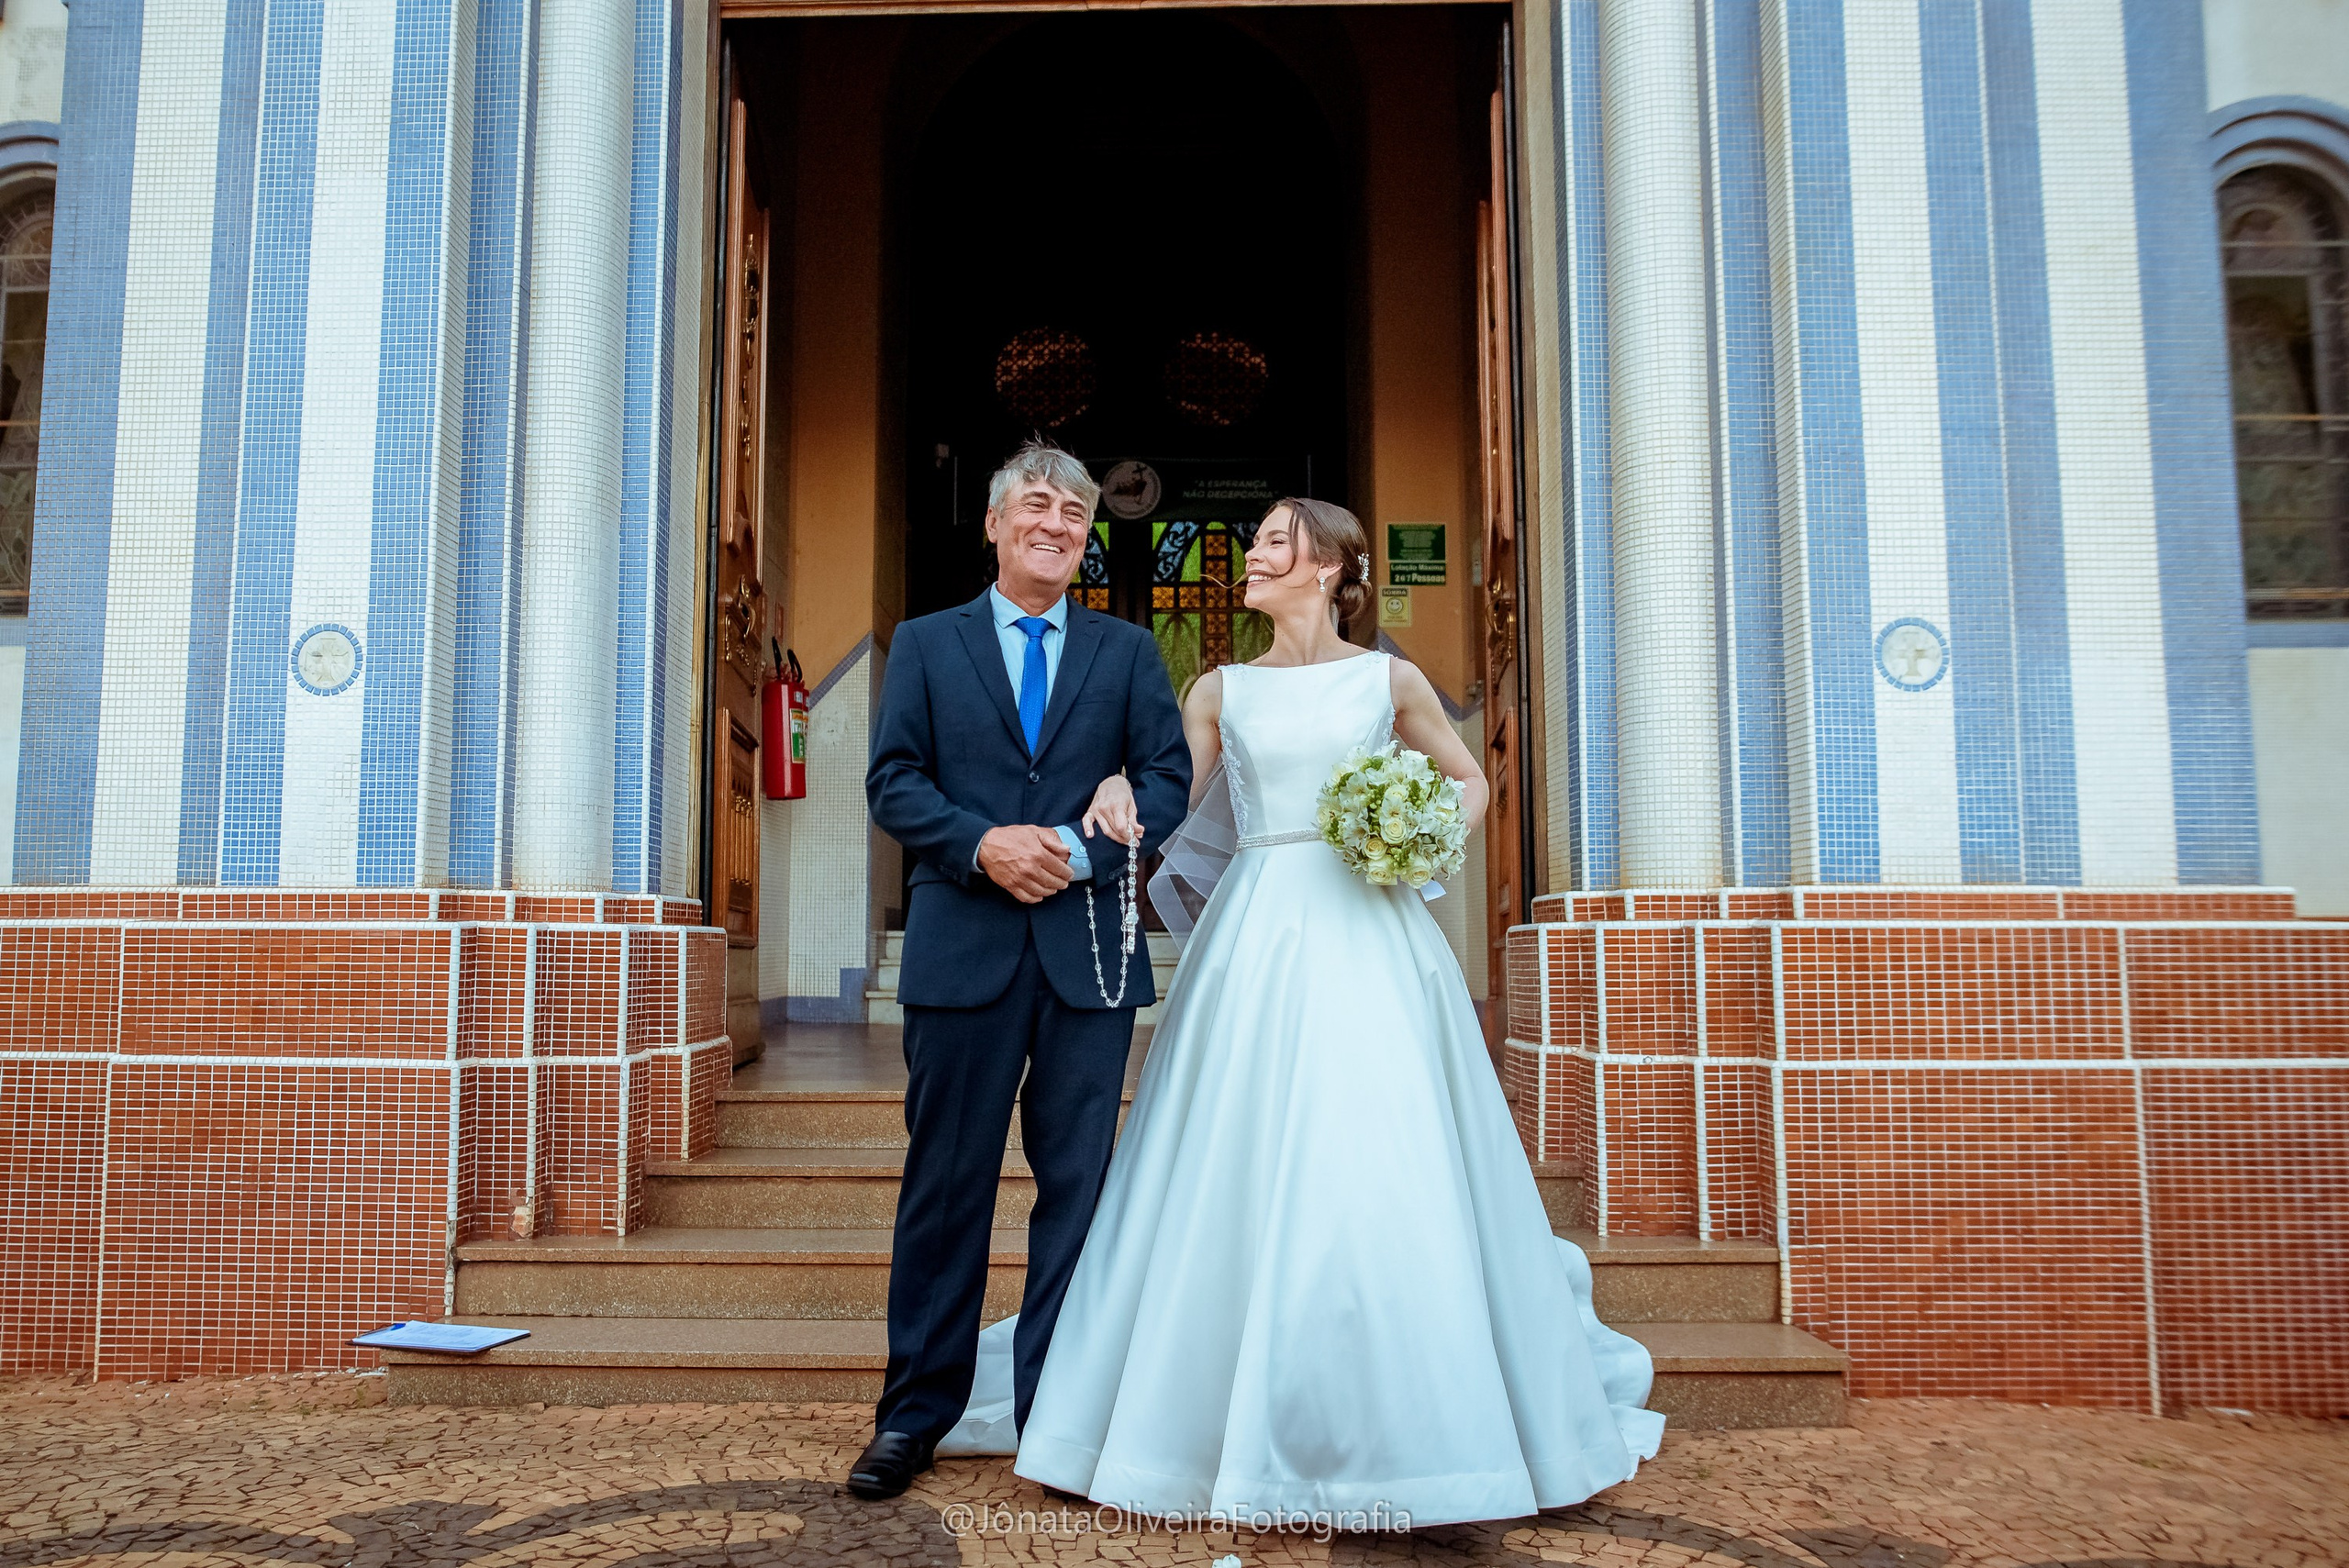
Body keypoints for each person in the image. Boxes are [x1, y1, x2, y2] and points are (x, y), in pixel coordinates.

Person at [944, 496, 1664, 1527]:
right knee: (1235, 1149)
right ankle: (1193, 1421)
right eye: (1255, 544)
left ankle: (1420, 1424)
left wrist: (1417, 833)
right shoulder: (1219, 689)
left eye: (1275, 542)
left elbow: (1468, 781)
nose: (1254, 556)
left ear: (1329, 568)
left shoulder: (1390, 678)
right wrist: (1107, 791)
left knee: (1383, 1149)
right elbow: (1166, 797)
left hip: (1371, 929)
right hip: (1259, 932)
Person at [852, 439, 1191, 1500]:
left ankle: (1059, 1417)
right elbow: (892, 780)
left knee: (1078, 1192)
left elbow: (1168, 779)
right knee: (945, 1190)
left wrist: (1089, 848)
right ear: (995, 523)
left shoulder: (1128, 650)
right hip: (965, 955)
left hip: (1088, 956)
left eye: (1075, 515)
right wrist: (983, 842)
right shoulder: (926, 641)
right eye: (1035, 508)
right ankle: (914, 1412)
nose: (1055, 525)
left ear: (1089, 539)